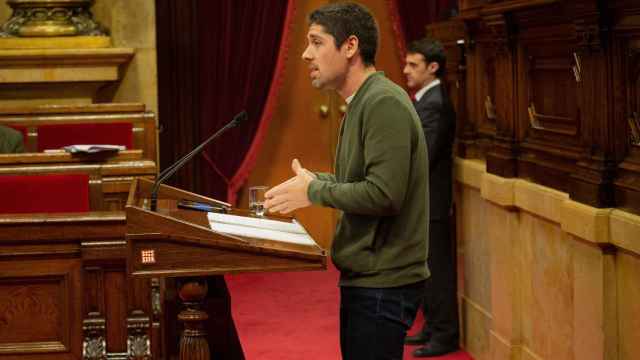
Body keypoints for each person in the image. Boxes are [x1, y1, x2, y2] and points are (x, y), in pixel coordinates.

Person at [264, 3, 429, 359]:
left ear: (350, 46)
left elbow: (384, 194)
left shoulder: (383, 103)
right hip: (369, 281)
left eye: (317, 42)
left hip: (383, 284)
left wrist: (314, 190)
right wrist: (317, 180)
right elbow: (361, 181)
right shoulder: (360, 102)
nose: (307, 54)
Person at [402, 38, 459, 357]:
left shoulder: (435, 103)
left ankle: (445, 334)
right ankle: (432, 327)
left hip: (432, 203)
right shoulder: (425, 99)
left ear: (433, 67)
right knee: (426, 269)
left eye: (414, 65)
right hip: (424, 202)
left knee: (437, 270)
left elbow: (424, 153)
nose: (406, 70)